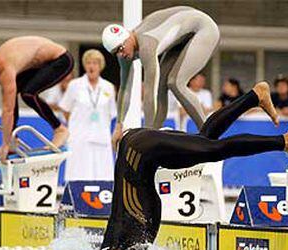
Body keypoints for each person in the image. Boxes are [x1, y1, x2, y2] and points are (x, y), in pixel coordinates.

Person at [88, 82, 288, 250]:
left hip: (142, 151)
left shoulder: (129, 240)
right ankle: (255, 96)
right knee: (204, 140)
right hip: (134, 145)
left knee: (214, 149)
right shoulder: (112, 243)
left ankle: (285, 141)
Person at [101, 7, 236, 148]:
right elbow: (125, 89)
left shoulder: (146, 45)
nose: (121, 55)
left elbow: (149, 95)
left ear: (128, 36)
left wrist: (145, 139)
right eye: (115, 52)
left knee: (175, 83)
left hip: (205, 29)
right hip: (184, 35)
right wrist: (118, 125)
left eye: (121, 48)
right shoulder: (124, 54)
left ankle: (210, 138)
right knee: (162, 86)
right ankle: (155, 139)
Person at [0, 36, 74, 163]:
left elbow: (8, 110)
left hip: (61, 59)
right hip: (39, 64)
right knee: (17, 92)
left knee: (28, 94)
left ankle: (60, 129)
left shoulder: (5, 68)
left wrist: (6, 144)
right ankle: (14, 139)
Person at [59, 49, 116, 181]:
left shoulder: (108, 87)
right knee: (79, 171)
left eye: (95, 63)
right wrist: (75, 127)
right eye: (89, 63)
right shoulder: (74, 85)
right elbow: (65, 109)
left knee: (102, 172)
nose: (91, 66)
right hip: (79, 136)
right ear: (84, 65)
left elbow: (111, 114)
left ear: (100, 66)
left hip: (101, 136)